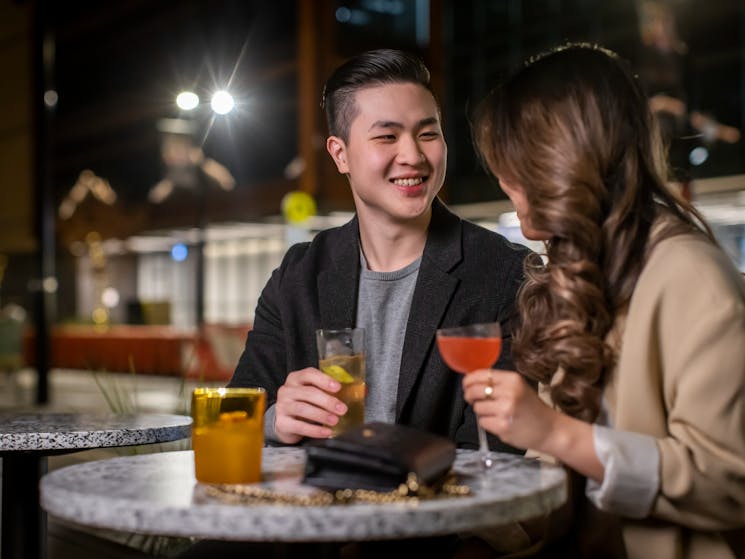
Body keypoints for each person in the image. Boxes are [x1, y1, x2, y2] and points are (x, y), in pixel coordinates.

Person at [467, 43, 745, 559]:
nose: (503, 179)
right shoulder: (578, 271)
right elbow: (550, 492)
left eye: (513, 160)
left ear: (562, 160)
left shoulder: (691, 275)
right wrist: (474, 533)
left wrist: (555, 432)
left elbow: (729, 483)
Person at [228, 48, 530, 455]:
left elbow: (496, 450)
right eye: (387, 136)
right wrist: (275, 421)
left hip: (439, 514)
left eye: (428, 133)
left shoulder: (503, 272)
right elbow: (233, 415)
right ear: (340, 154)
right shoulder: (297, 275)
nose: (413, 156)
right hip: (314, 511)